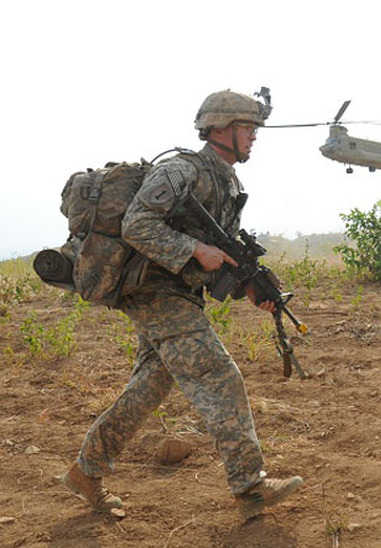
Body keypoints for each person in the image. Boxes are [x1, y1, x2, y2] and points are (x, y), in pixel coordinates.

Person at [61, 89, 303, 521]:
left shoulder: (229, 182)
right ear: (221, 128)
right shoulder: (180, 171)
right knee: (217, 374)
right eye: (248, 128)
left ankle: (86, 471)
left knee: (151, 385)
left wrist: (247, 285)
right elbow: (137, 224)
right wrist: (192, 248)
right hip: (151, 288)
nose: (253, 137)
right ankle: (250, 487)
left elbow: (217, 252)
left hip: (177, 291)